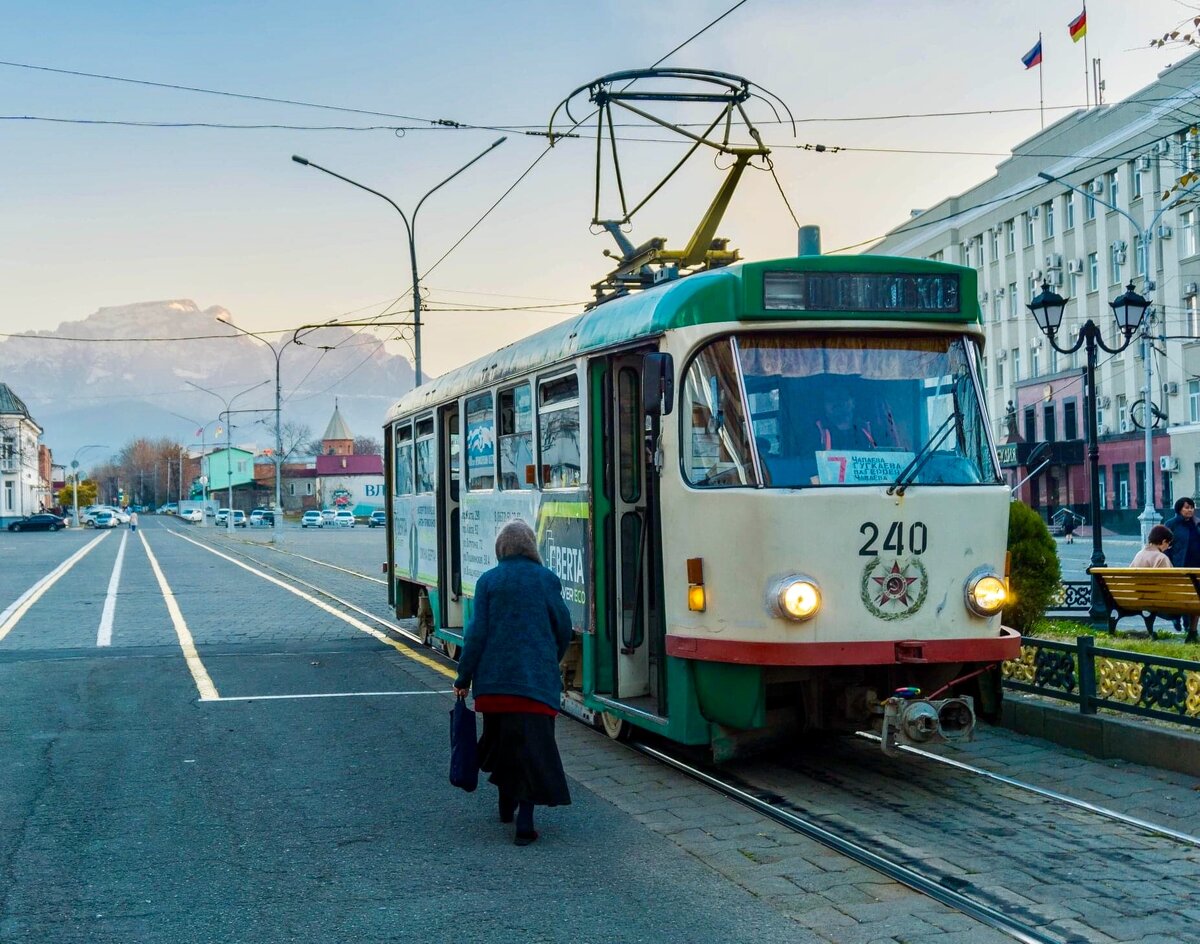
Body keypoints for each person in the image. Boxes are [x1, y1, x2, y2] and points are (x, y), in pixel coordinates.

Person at [452, 520, 574, 846]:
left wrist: (463, 677)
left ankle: (506, 804)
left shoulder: (488, 581)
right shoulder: (547, 580)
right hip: (536, 687)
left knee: (503, 742)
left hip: (494, 689)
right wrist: (550, 658)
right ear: (532, 546)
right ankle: (526, 820)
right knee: (532, 750)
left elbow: (475, 635)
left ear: (500, 548)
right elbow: (564, 628)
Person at [815, 383, 876, 451]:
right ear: (824, 406)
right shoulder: (815, 433)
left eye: (841, 397)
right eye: (830, 399)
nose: (836, 402)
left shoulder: (870, 430)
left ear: (853, 402)